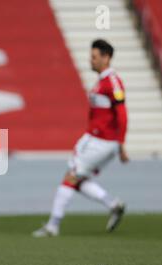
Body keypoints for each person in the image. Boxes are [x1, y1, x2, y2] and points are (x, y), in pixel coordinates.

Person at [33, 39, 129, 237]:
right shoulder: (102, 81)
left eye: (94, 57)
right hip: (94, 139)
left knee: (71, 177)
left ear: (106, 57)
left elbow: (122, 114)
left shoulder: (112, 82)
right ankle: (114, 205)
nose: (90, 60)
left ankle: (53, 225)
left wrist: (121, 143)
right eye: (90, 56)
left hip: (103, 142)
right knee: (78, 180)